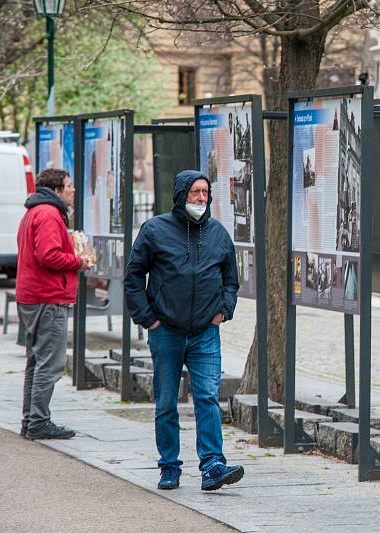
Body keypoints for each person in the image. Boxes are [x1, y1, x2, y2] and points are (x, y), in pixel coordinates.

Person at [125, 170, 243, 491]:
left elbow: (231, 279)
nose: (201, 198)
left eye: (205, 192)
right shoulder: (155, 230)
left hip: (206, 331)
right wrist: (148, 318)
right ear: (181, 195)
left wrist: (223, 310)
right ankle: (169, 466)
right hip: (166, 330)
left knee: (207, 396)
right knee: (166, 401)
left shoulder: (218, 234)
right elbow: (134, 276)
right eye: (195, 192)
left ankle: (213, 465)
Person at [17, 168, 88, 440]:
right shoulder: (48, 213)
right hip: (47, 297)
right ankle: (38, 422)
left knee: (36, 361)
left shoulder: (34, 212)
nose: (72, 190)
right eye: (69, 186)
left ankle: (31, 420)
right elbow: (48, 255)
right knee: (50, 363)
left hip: (33, 295)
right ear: (57, 189)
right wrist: (78, 262)